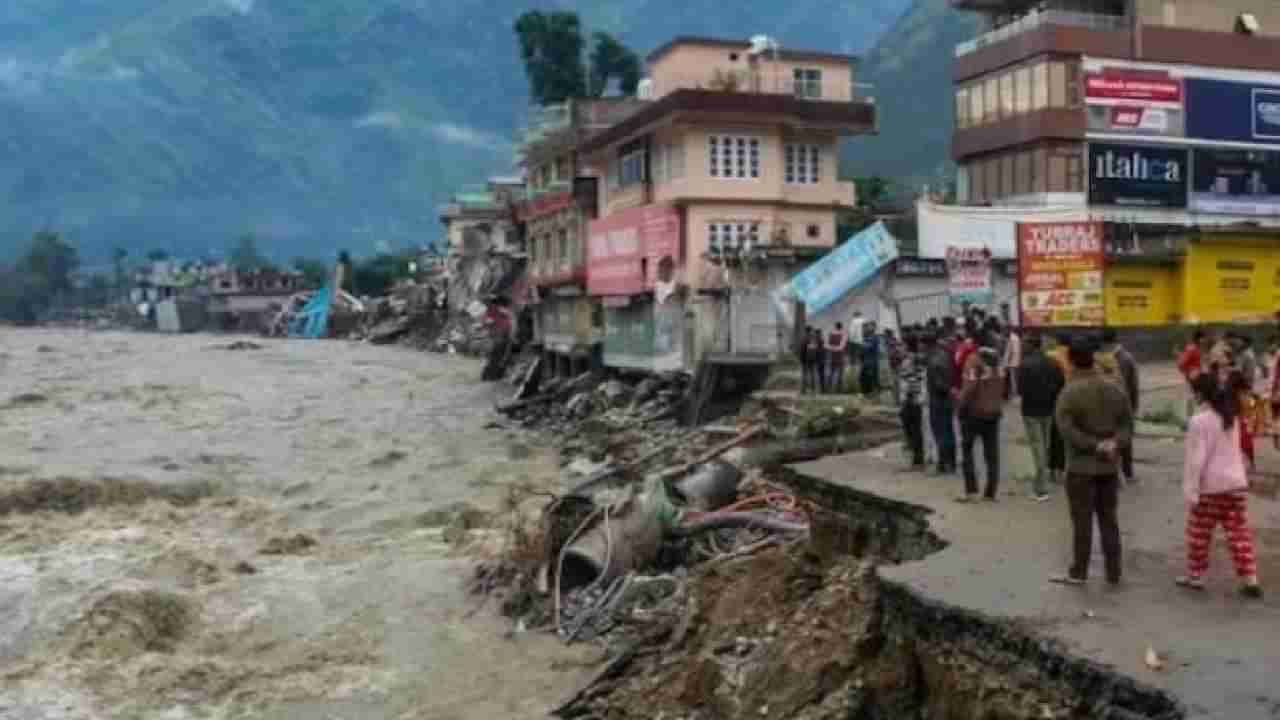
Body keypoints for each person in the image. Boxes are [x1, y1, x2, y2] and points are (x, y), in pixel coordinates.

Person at [1051, 337, 1133, 587]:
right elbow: (1127, 425)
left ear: (1072, 360)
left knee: (1082, 522)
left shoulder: (1069, 393)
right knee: (1109, 519)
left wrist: (1093, 445)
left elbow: (1066, 430)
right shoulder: (1115, 388)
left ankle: (1079, 572)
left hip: (1080, 469)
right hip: (1108, 467)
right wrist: (1113, 444)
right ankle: (1113, 572)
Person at [1178, 374, 1263, 598]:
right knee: (1239, 534)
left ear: (1199, 394)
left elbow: (1196, 461)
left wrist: (1191, 491)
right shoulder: (1230, 416)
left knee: (1199, 533)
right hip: (1235, 485)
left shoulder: (1199, 421)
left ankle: (1196, 576)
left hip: (1211, 488)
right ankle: (1250, 578)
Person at [955, 338, 1006, 502]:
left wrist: (960, 407)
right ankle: (990, 492)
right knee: (992, 454)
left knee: (967, 451)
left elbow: (969, 388)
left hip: (974, 413)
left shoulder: (974, 360)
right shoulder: (999, 362)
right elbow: (1004, 387)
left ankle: (971, 491)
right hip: (994, 413)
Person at [1017, 334, 1064, 502]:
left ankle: (1042, 488)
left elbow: (1020, 390)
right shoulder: (1053, 363)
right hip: (1048, 409)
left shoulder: (1024, 365)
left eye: (1024, 344)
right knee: (1045, 445)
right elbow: (1061, 385)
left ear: (1031, 345)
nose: (1022, 347)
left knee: (1038, 448)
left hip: (1031, 411)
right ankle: (1042, 483)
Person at [1101, 328, 1140, 482]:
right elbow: (1134, 384)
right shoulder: (1126, 357)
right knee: (1118, 438)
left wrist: (1133, 406)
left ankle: (1126, 472)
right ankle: (1120, 473)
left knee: (1124, 439)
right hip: (1117, 405)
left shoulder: (1123, 358)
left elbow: (1133, 384)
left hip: (1122, 405)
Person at [927, 329, 958, 475]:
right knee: (949, 430)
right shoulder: (947, 354)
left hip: (938, 399)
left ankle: (943, 463)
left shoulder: (934, 358)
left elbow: (939, 384)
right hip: (947, 399)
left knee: (940, 432)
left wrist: (945, 389)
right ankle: (951, 463)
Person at [898, 333, 927, 468]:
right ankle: (918, 458)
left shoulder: (908, 361)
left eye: (901, 345)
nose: (900, 348)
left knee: (911, 430)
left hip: (910, 399)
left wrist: (904, 399)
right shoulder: (920, 358)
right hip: (918, 398)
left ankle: (916, 459)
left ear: (907, 346)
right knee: (917, 430)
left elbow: (907, 382)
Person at [1178, 330, 1207, 422]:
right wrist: (1188, 374)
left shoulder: (1197, 349)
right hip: (1192, 379)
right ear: (1199, 338)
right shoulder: (1191, 349)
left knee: (1199, 398)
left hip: (1197, 378)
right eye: (1203, 339)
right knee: (1191, 399)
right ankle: (1189, 420)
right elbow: (1181, 364)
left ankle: (1195, 419)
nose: (1204, 341)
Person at [825, 323, 849, 392]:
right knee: (840, 374)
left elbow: (827, 345)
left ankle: (828, 389)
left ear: (835, 327)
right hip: (841, 357)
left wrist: (832, 348)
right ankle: (839, 389)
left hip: (833, 357)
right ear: (841, 327)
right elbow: (842, 347)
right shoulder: (843, 335)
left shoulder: (831, 335)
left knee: (831, 373)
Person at [860, 322, 881, 397]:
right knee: (864, 377)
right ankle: (867, 393)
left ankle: (874, 393)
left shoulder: (875, 337)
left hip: (872, 361)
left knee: (872, 377)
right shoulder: (866, 336)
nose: (869, 328)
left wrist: (863, 345)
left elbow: (868, 347)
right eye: (869, 326)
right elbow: (862, 348)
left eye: (871, 326)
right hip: (866, 361)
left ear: (874, 328)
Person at [800, 326, 821, 394]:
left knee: (805, 375)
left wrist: (802, 359)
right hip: (813, 360)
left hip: (805, 360)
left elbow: (802, 350)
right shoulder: (813, 339)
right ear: (811, 331)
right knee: (813, 375)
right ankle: (813, 390)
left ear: (806, 331)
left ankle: (804, 390)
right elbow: (817, 350)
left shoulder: (804, 339)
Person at [1003, 325, 1022, 400]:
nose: (1004, 332)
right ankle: (1016, 394)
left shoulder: (1011, 339)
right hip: (1017, 361)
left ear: (1008, 330)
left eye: (1005, 331)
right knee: (1016, 379)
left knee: (1013, 380)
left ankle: (1015, 395)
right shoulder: (1016, 338)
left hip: (1013, 362)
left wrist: (1005, 364)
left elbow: (1009, 352)